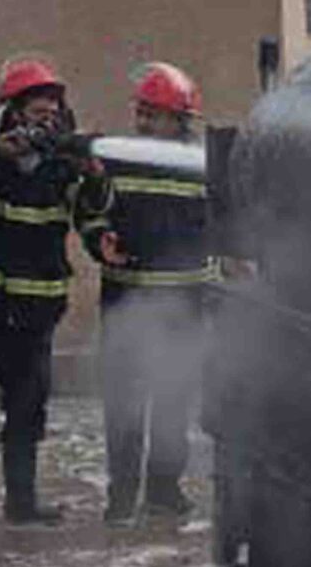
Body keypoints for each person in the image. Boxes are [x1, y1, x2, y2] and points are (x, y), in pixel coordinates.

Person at [0, 58, 113, 534]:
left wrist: (93, 173)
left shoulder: (60, 166)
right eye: (37, 112)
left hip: (33, 315)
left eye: (53, 112)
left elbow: (92, 212)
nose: (46, 121)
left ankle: (22, 502)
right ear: (11, 113)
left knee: (27, 410)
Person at [86, 61, 218, 524]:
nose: (141, 122)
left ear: (178, 119)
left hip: (185, 304)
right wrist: (98, 238)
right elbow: (89, 210)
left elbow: (224, 224)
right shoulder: (118, 160)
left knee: (172, 402)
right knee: (124, 405)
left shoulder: (202, 165)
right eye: (140, 111)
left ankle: (163, 491)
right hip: (127, 302)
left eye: (152, 114)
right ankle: (121, 498)